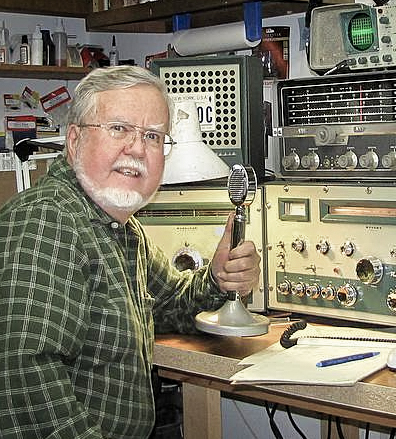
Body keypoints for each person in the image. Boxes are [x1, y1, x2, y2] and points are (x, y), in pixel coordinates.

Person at [0, 65, 262, 438]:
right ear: (74, 140)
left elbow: (171, 304)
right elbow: (23, 379)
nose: (137, 148)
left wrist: (219, 279)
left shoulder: (119, 227)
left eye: (153, 136)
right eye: (119, 128)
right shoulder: (48, 220)